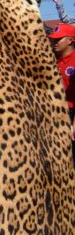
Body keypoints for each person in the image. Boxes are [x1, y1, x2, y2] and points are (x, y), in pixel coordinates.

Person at [49, 22, 75, 162]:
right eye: (53, 39)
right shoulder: (56, 61)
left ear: (70, 41)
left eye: (58, 39)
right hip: (59, 113)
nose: (54, 42)